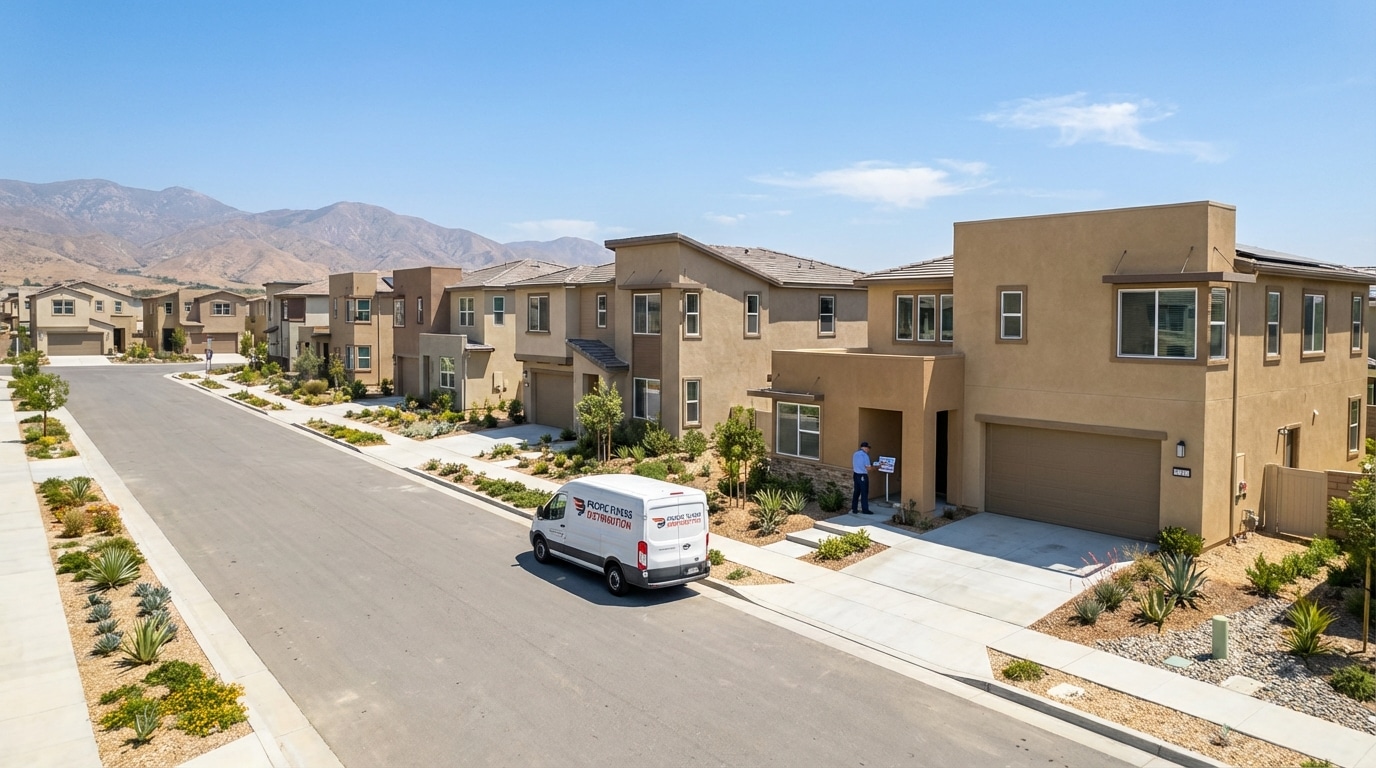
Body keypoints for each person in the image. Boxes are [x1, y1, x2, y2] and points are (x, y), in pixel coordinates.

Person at [852, 441, 874, 515]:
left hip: (855, 474)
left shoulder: (855, 454)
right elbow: (868, 468)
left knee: (856, 492)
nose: (868, 450)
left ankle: (854, 508)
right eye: (868, 448)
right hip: (862, 475)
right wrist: (877, 467)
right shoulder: (865, 456)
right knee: (864, 492)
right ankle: (865, 509)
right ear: (865, 448)